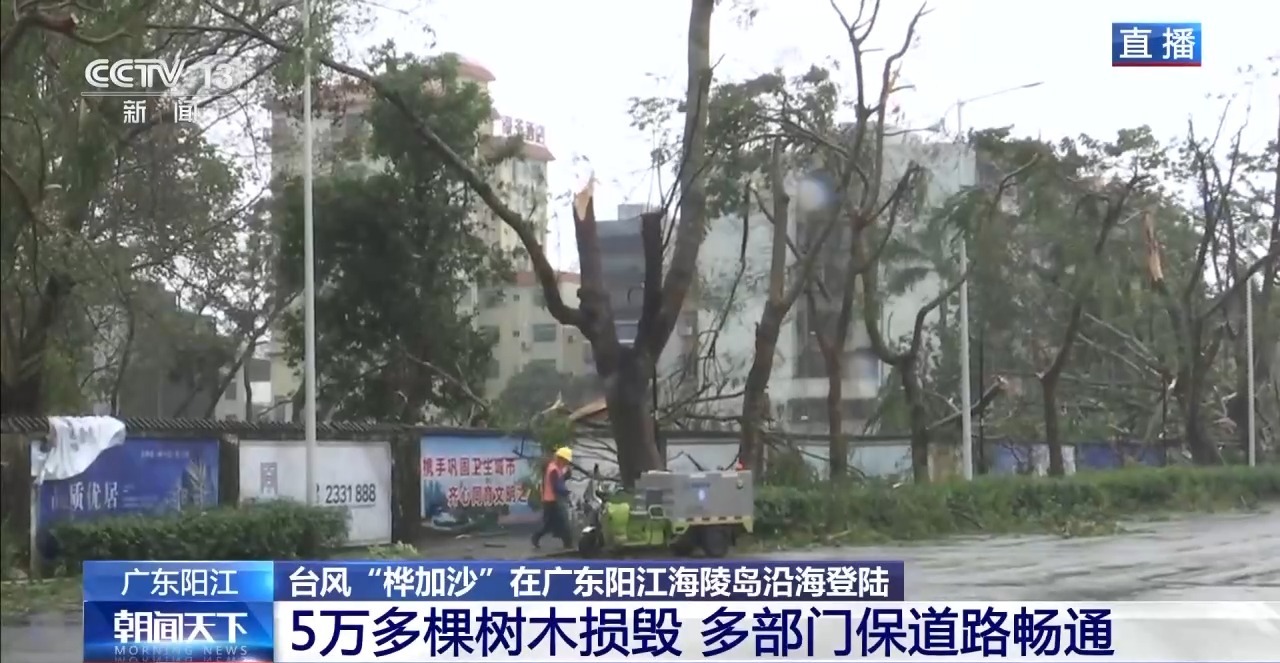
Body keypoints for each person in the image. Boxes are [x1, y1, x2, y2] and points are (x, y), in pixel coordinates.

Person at [532, 447, 574, 549]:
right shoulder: (554, 469)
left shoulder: (555, 468)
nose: (566, 463)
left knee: (553, 524)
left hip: (551, 500)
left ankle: (567, 543)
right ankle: (567, 543)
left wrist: (566, 476)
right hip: (553, 501)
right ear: (561, 459)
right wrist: (565, 492)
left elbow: (559, 481)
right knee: (562, 522)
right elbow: (556, 486)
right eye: (566, 461)